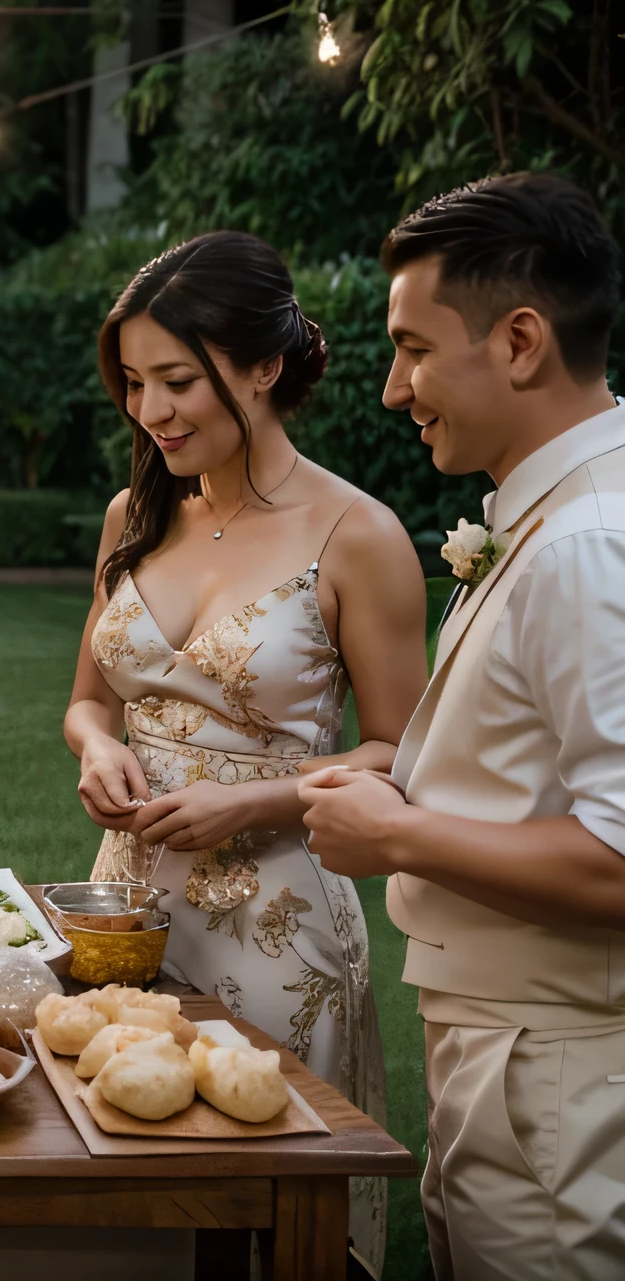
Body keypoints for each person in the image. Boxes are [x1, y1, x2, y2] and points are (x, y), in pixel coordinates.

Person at [65, 232, 424, 1272]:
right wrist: (94, 751)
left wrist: (251, 803)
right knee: (128, 1201)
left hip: (275, 926)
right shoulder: (130, 516)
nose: (149, 411)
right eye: (133, 383)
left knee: (259, 1210)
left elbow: (402, 752)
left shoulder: (355, 533)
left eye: (175, 380)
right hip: (121, 913)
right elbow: (86, 703)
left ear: (263, 365)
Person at [301, 173, 625, 1276]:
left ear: (521, 340)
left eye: (412, 348)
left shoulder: (586, 543)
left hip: (561, 1072)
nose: (393, 389)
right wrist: (404, 795)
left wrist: (393, 838)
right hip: (509, 1045)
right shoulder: (548, 513)